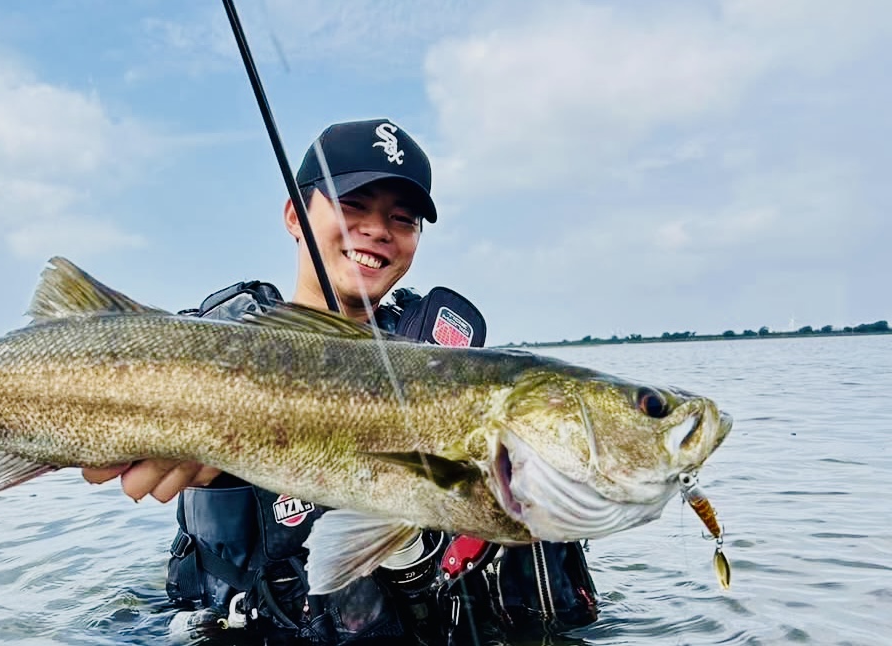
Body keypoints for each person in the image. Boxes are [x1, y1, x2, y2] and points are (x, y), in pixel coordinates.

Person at [83, 119, 599, 644]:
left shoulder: (449, 369)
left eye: (403, 219)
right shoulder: (205, 352)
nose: (378, 230)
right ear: (294, 214)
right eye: (353, 206)